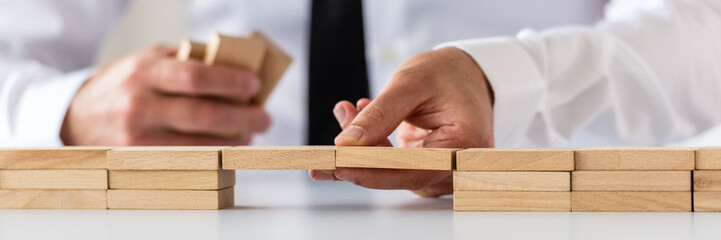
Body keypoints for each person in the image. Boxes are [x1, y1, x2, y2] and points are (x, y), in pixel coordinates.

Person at [2, 0, 720, 197]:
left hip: (525, 209)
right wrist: (66, 112)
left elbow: (702, 30)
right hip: (240, 212)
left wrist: (507, 81)